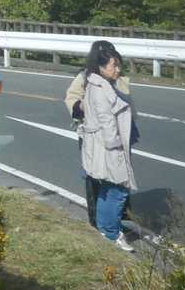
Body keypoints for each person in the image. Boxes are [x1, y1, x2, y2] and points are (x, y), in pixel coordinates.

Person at [65, 40, 135, 229]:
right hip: (94, 134)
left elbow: (127, 104)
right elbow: (71, 99)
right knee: (96, 177)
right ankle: (98, 221)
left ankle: (117, 219)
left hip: (119, 133)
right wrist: (85, 108)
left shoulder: (119, 77)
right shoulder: (86, 77)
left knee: (120, 178)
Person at [79, 42, 137, 252]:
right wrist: (116, 145)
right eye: (114, 65)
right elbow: (106, 122)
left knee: (108, 189)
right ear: (101, 67)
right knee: (118, 189)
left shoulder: (97, 83)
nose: (118, 69)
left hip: (101, 146)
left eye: (119, 65)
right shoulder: (100, 88)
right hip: (108, 147)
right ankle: (110, 233)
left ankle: (106, 230)